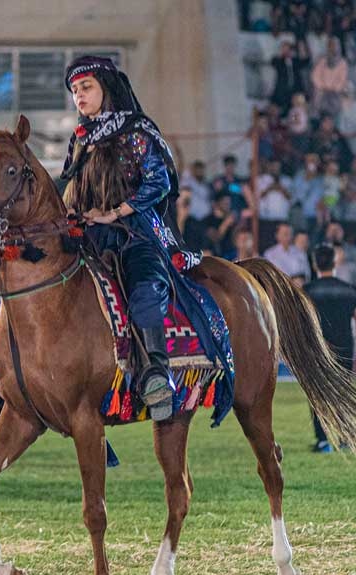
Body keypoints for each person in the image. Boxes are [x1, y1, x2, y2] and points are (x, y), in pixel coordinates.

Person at [61, 55, 230, 422]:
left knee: (145, 283)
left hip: (136, 231)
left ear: (107, 88)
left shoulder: (136, 131)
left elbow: (160, 182)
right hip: (89, 234)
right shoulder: (80, 141)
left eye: (86, 87)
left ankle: (156, 372)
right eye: (75, 91)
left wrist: (114, 212)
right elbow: (70, 187)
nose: (79, 96)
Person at [305, 243, 356, 452]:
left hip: (317, 351)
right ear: (335, 261)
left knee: (318, 395)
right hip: (345, 349)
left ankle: (323, 440)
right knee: (343, 394)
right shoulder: (350, 291)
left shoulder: (306, 291)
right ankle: (345, 437)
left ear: (314, 264)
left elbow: (300, 324)